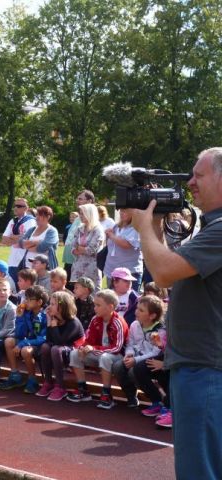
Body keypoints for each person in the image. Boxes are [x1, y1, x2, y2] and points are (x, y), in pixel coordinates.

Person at [130, 147, 222, 479]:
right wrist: (153, 224)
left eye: (199, 174)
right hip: (196, 366)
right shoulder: (211, 227)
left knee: (200, 470)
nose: (190, 181)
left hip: (206, 369)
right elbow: (165, 272)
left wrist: (143, 227)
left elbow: (164, 273)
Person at [66, 289, 129, 409]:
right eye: (94, 304)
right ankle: (82, 389)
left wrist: (93, 349)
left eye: (98, 305)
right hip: (99, 352)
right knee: (75, 354)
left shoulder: (118, 322)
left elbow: (117, 348)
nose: (95, 308)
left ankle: (106, 393)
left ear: (110, 307)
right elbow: (89, 339)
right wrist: (82, 347)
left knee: (105, 358)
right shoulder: (95, 319)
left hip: (117, 356)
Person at [113, 295, 167, 409]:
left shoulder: (159, 331)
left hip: (148, 361)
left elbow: (156, 352)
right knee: (118, 366)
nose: (136, 312)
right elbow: (130, 343)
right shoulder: (134, 325)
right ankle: (131, 396)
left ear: (152, 316)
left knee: (134, 371)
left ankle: (157, 399)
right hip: (135, 357)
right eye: (137, 308)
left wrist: (136, 360)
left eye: (141, 310)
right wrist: (129, 354)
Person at [37, 291, 85, 401]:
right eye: (50, 303)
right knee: (45, 347)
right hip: (61, 347)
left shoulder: (73, 322)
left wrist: (53, 327)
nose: (49, 307)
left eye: (53, 304)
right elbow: (49, 340)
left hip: (74, 350)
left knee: (55, 349)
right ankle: (48, 382)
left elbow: (60, 341)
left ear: (62, 307)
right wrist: (49, 321)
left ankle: (60, 386)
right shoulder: (55, 319)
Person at [0, 286, 48, 393]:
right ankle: (15, 375)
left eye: (29, 299)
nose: (25, 301)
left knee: (25, 351)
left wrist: (23, 343)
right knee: (9, 341)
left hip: (41, 345)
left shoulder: (46, 315)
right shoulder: (26, 312)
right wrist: (20, 317)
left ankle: (33, 380)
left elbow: (43, 338)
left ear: (39, 302)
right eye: (25, 298)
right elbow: (19, 334)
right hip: (27, 341)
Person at [104, 208, 143, 291]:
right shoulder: (116, 226)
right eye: (121, 211)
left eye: (125, 211)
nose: (122, 213)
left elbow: (126, 244)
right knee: (111, 301)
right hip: (112, 270)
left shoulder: (136, 227)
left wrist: (111, 235)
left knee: (129, 301)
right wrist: (107, 236)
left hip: (129, 272)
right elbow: (110, 244)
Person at [1, 198, 37, 285]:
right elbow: (4, 240)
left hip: (25, 262)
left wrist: (12, 237)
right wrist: (19, 238)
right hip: (12, 261)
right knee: (13, 288)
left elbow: (28, 239)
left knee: (25, 288)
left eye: (19, 206)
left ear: (26, 208)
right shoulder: (13, 221)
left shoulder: (30, 221)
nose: (16, 208)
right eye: (15, 206)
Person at [62, 190, 95, 282]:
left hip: (80, 262)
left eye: (80, 199)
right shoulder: (77, 219)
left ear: (89, 201)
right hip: (69, 260)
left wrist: (77, 248)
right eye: (77, 198)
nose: (77, 200)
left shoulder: (92, 219)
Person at [70, 204, 105, 288]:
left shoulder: (98, 230)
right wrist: (81, 249)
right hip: (77, 267)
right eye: (80, 213)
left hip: (91, 269)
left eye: (83, 214)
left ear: (90, 214)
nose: (80, 216)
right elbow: (73, 247)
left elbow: (91, 250)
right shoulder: (80, 228)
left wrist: (80, 248)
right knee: (77, 294)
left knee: (90, 294)